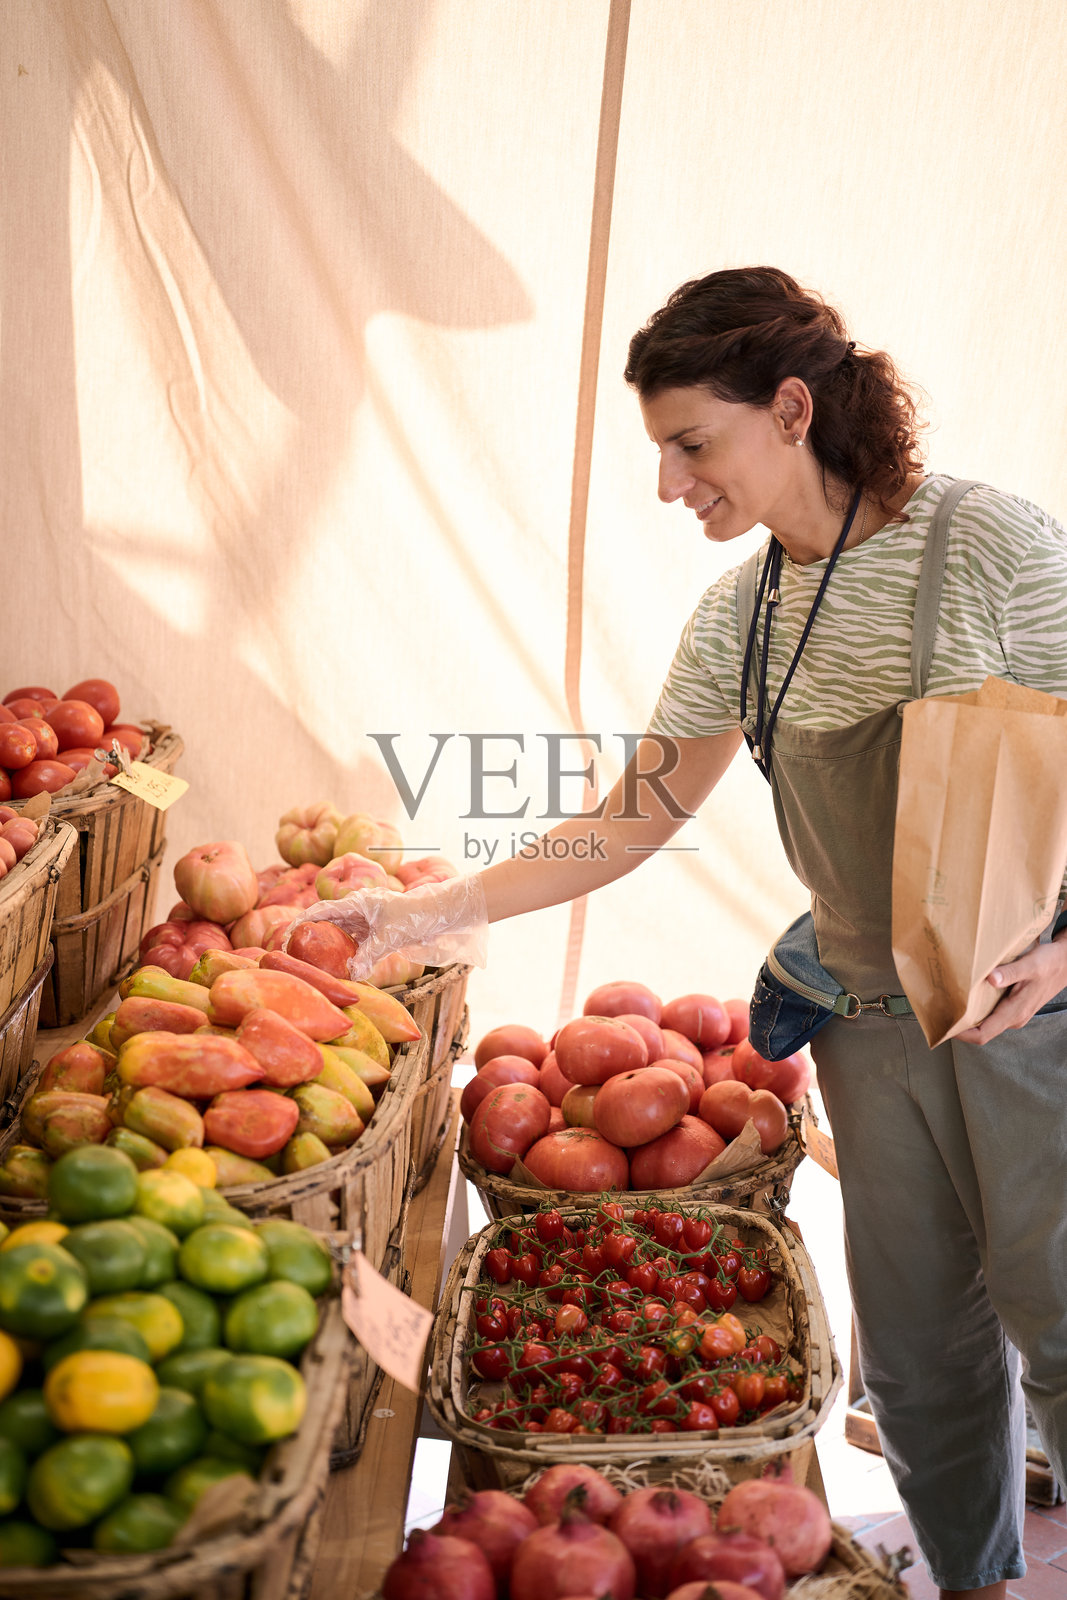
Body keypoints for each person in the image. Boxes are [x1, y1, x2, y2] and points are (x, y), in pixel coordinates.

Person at [291, 267, 1067, 1599]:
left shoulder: (988, 543)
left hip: (1032, 1014)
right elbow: (628, 820)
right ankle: (978, 1586)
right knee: (926, 1353)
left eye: (689, 444)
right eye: (660, 450)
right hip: (869, 1031)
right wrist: (425, 915)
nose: (669, 484)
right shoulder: (741, 616)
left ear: (791, 409)